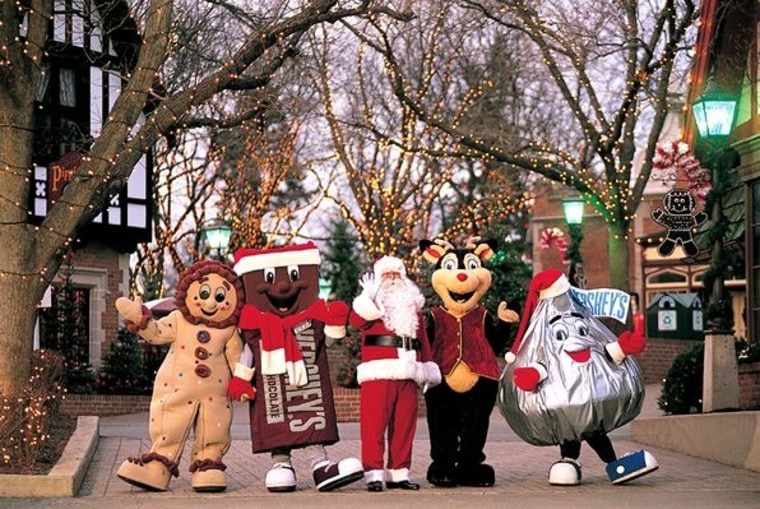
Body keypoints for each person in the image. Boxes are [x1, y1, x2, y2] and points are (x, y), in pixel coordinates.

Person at [228, 242, 363, 493]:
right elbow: (249, 353)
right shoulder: (255, 327)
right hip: (274, 390)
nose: (282, 286)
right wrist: (241, 379)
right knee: (276, 422)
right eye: (269, 278)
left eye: (293, 275)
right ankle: (281, 465)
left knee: (310, 417)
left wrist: (335, 321)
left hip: (305, 388)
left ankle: (320, 466)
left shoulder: (312, 320)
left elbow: (330, 340)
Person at [350, 256, 441, 492]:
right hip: (378, 373)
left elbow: (423, 342)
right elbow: (355, 321)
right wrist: (367, 298)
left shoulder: (414, 310)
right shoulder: (371, 308)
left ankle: (399, 473)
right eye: (387, 274)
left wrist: (429, 367)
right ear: (379, 279)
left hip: (408, 373)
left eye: (396, 274)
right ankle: (373, 473)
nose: (392, 279)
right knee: (374, 427)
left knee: (404, 427)